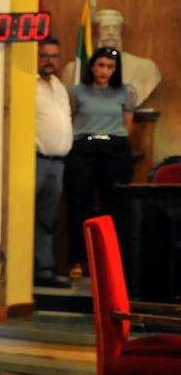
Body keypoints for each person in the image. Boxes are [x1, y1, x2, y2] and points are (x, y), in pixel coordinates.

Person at [65, 46, 137, 276]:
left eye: (110, 66)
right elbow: (71, 118)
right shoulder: (77, 91)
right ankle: (78, 260)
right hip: (84, 149)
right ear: (93, 66)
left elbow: (127, 124)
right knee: (79, 205)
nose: (104, 71)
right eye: (101, 65)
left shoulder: (126, 91)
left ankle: (111, 261)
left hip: (114, 150)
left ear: (116, 69)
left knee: (115, 207)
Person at [34, 38, 72, 288]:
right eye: (44, 55)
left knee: (46, 220)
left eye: (54, 56)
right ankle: (20, 273)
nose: (49, 61)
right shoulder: (29, 84)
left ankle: (43, 270)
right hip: (35, 161)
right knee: (25, 218)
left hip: (58, 163)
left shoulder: (59, 86)